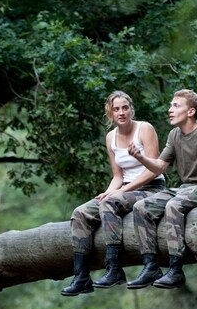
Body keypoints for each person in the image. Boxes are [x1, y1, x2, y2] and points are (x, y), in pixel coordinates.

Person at [126, 89, 197, 289]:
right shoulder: (174, 134)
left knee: (173, 206)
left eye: (176, 106)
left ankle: (176, 269)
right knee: (141, 207)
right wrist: (140, 157)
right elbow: (159, 166)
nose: (170, 110)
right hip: (184, 188)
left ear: (191, 111)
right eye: (170, 105)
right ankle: (151, 266)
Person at [61, 91, 165, 297]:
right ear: (110, 113)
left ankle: (114, 268)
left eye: (125, 107)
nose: (121, 112)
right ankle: (81, 277)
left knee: (110, 203)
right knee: (81, 212)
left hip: (150, 188)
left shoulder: (144, 129)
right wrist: (108, 192)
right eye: (116, 109)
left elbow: (154, 169)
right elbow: (118, 175)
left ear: (131, 108)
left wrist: (120, 192)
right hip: (123, 188)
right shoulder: (110, 137)